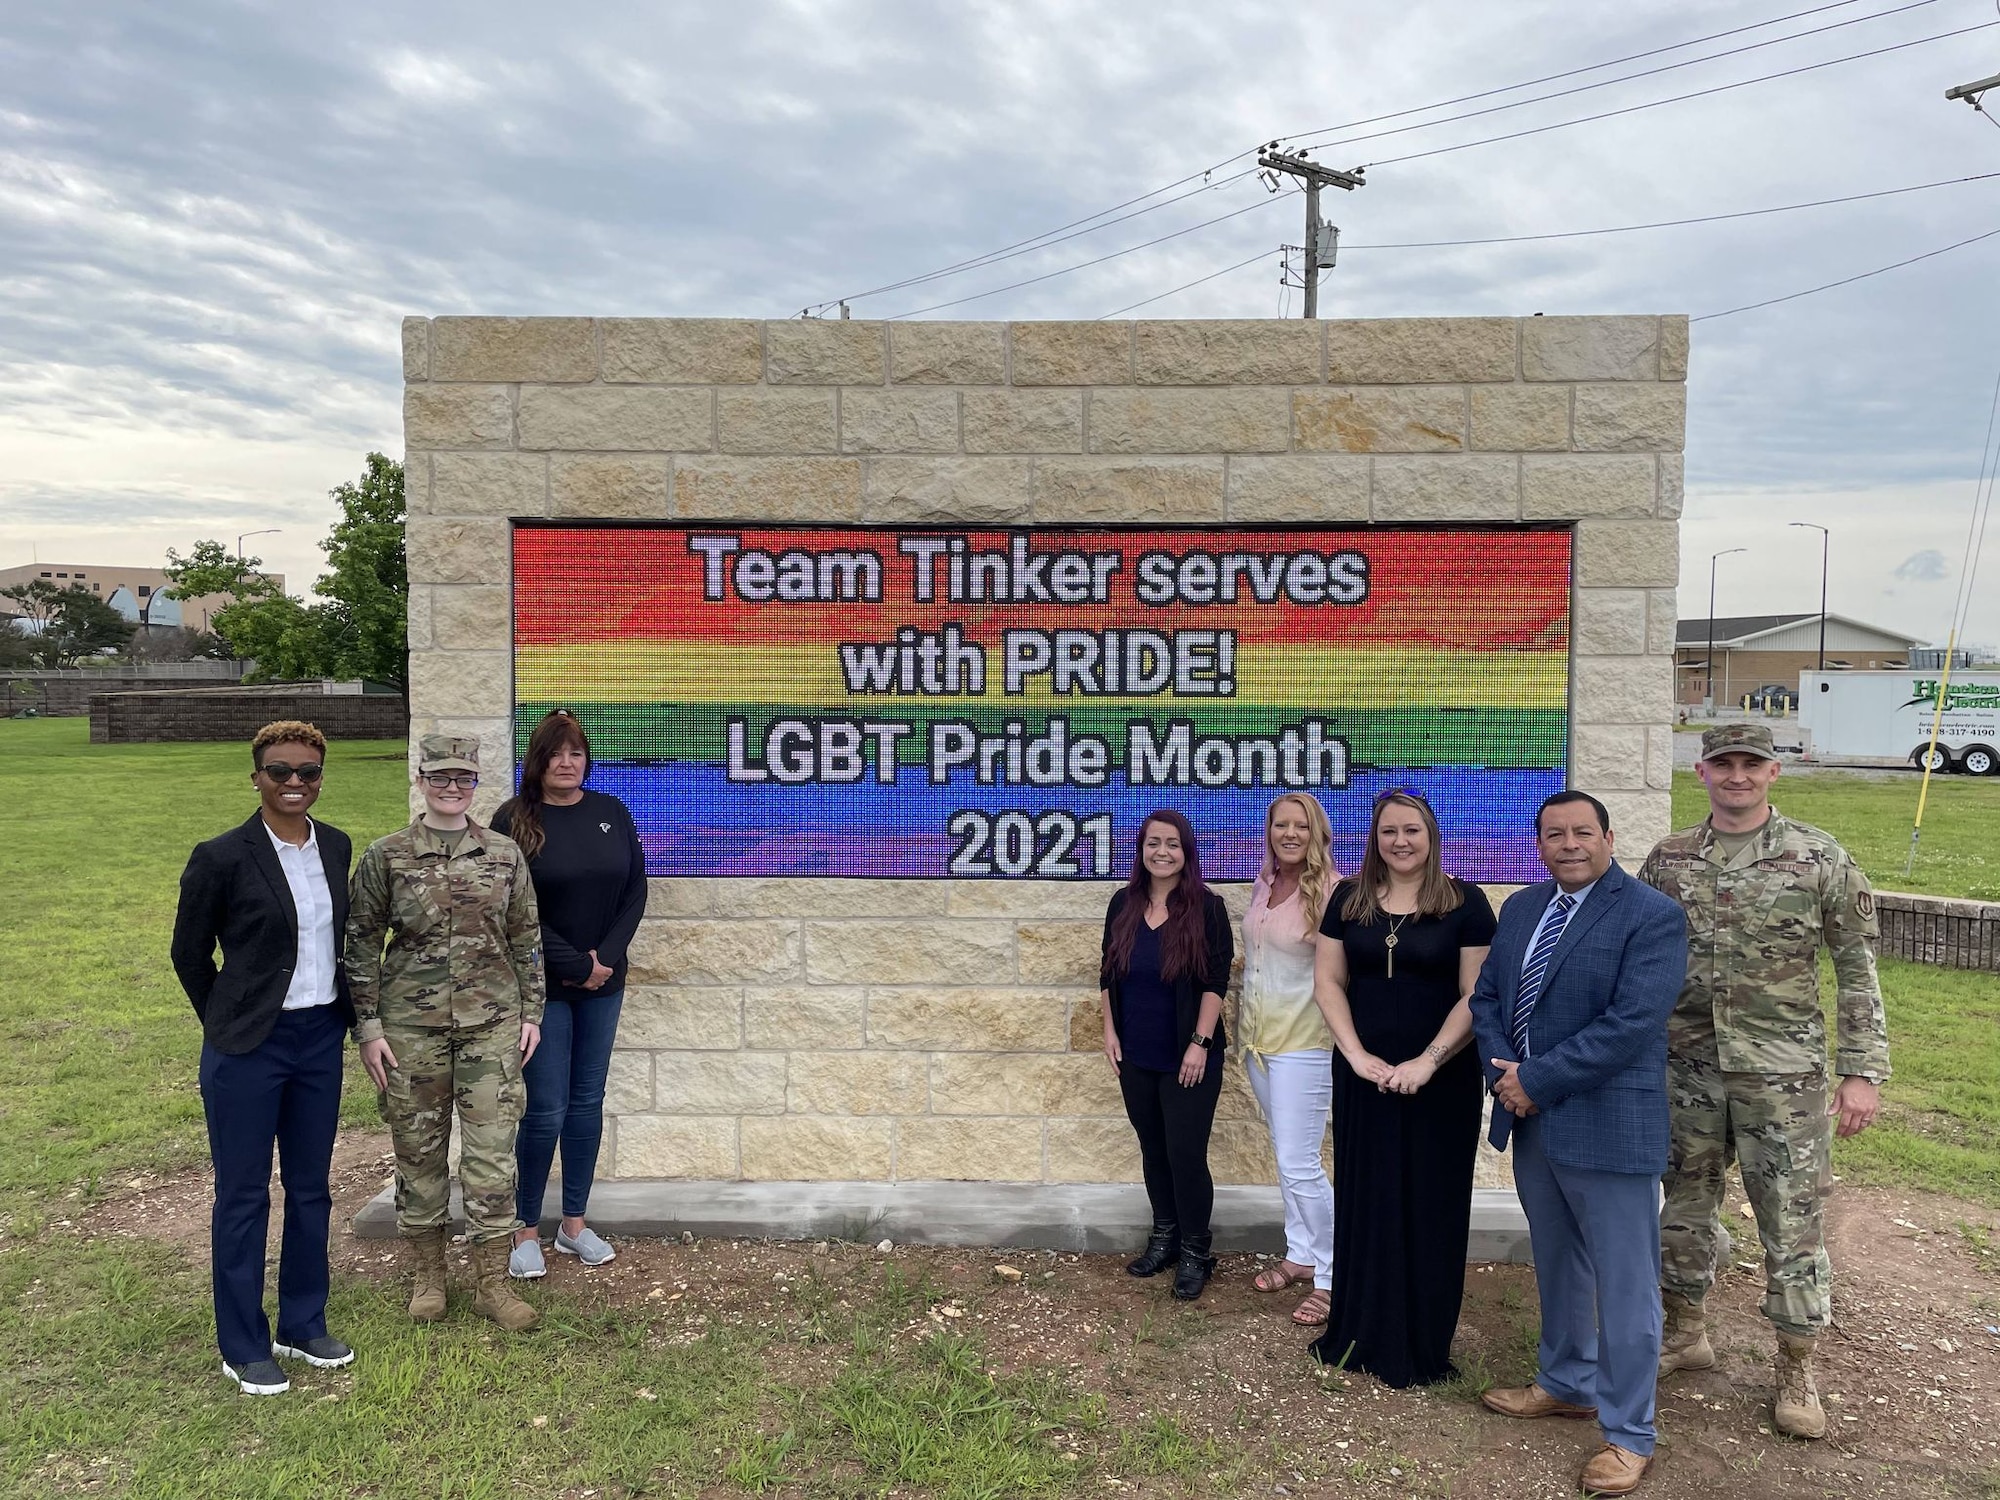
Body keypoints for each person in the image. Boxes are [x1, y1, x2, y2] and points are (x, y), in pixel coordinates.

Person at [1639, 724, 1890, 1441]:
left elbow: (1856, 966)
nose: (1738, 776)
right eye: (1725, 765)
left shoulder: (1818, 857)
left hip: (1784, 1076)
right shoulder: (1670, 859)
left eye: (1752, 764)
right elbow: (1639, 953)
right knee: (1684, 1205)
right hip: (1685, 1067)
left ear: (1774, 771)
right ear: (1703, 771)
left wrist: (1862, 1070)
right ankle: (1686, 1332)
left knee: (1790, 1219)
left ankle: (1795, 1364)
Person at [1470, 791, 1688, 1497]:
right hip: (1535, 1123)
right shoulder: (1523, 909)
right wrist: (1507, 1074)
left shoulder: (1651, 916)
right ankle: (1567, 1382)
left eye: (1582, 832)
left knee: (1626, 1288)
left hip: (1608, 1123)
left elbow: (1631, 1024)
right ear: (1539, 843)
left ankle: (1629, 1433)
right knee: (1558, 1262)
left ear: (1609, 837)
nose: (1569, 843)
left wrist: (1536, 1079)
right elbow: (1489, 1001)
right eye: (1554, 833)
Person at [171, 720, 356, 1396]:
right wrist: (227, 1021)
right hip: (247, 1048)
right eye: (280, 771)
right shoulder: (221, 856)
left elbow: (342, 943)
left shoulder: (335, 846)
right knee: (244, 1195)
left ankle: (303, 1323)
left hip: (318, 1040)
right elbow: (189, 955)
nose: (295, 783)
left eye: (308, 772)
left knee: (311, 1189)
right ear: (256, 777)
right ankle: (242, 1343)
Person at [347, 733, 545, 1332]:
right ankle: (428, 1275)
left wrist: (531, 1012)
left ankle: (492, 1283)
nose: (452, 788)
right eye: (441, 777)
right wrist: (369, 1027)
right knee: (418, 1152)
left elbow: (526, 936)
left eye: (463, 778)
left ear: (476, 783)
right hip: (410, 1030)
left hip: (491, 1028)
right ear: (422, 780)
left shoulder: (505, 855)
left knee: (491, 1156)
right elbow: (360, 943)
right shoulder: (387, 855)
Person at [1307, 791, 1496, 1383]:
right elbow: (1328, 982)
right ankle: (1356, 1331)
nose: (1400, 841)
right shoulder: (1348, 898)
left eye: (1411, 830)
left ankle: (1420, 1344)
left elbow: (1476, 995)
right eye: (1388, 831)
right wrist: (1357, 1056)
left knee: (1429, 1201)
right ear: (1374, 839)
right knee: (1367, 1197)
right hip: (1364, 1079)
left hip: (1439, 1083)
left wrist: (1428, 1061)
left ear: (1430, 835)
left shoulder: (1466, 904)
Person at [492, 710, 648, 1278]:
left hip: (605, 983)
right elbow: (513, 907)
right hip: (543, 989)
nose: (566, 762)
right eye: (556, 753)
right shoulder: (513, 819)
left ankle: (574, 1226)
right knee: (545, 1108)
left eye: (576, 753)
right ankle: (524, 1230)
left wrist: (604, 960)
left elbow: (635, 888)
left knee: (587, 1102)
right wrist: (573, 963)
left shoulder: (610, 812)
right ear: (537, 760)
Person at [1099, 810, 1234, 1301]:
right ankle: (1166, 1238)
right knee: (1153, 1151)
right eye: (1153, 842)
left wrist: (1200, 1044)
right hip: (1135, 1055)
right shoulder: (1123, 904)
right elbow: (1107, 973)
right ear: (1141, 849)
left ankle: (1198, 1250)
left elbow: (1216, 982)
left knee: (1185, 1156)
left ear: (1186, 851)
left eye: (1172, 844)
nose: (1162, 852)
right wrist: (1110, 1033)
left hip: (1188, 1058)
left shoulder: (1207, 907)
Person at [1239, 793, 1340, 1326]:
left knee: (1300, 1162)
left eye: (1302, 825)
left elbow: (1337, 974)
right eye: (1282, 824)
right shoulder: (1264, 884)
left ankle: (1331, 1272)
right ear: (1271, 830)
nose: (1291, 833)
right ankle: (1299, 1252)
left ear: (1316, 832)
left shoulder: (1330, 892)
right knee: (1284, 1155)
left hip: (1305, 1043)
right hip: (1258, 1042)